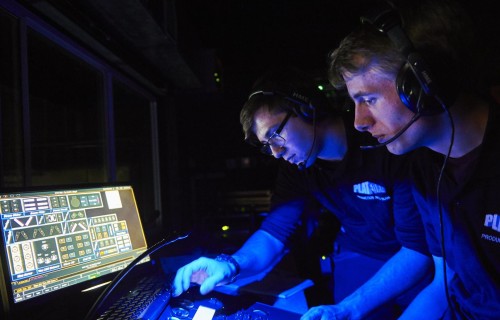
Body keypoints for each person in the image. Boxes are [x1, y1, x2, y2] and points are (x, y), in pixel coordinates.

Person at [172, 67, 432, 319]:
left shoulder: (384, 144)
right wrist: (230, 265)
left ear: (307, 108)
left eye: (275, 135)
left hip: (415, 262)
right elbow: (274, 233)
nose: (276, 152)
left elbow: (417, 250)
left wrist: (349, 308)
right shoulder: (298, 167)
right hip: (357, 256)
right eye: (267, 146)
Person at [327, 0, 500, 319]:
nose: (359, 122)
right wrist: (345, 311)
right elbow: (444, 283)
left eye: (368, 99)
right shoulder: (424, 169)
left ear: (426, 82)